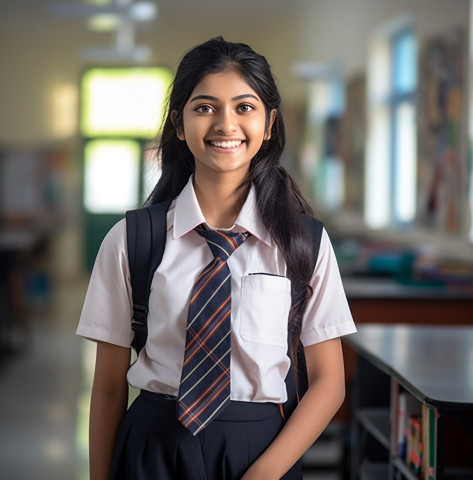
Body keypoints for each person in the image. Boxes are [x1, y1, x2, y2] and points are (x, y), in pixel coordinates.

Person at [77, 36, 356, 480]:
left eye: (244, 107)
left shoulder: (305, 242)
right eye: (204, 107)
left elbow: (328, 383)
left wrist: (264, 474)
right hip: (153, 449)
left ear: (269, 124)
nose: (226, 124)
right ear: (178, 125)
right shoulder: (131, 239)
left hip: (262, 450)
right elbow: (109, 388)